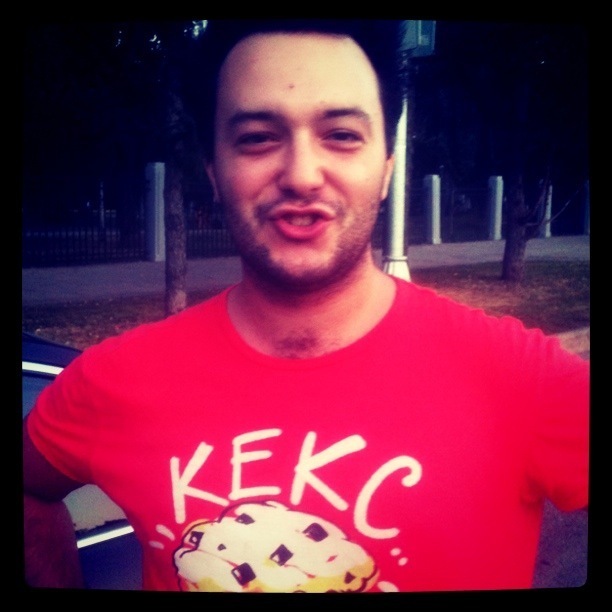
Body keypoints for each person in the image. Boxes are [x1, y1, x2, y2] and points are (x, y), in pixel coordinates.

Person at [23, 19, 589, 593]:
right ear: (214, 172)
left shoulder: (523, 379)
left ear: (387, 168)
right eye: (257, 138)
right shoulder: (115, 380)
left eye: (341, 135)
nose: (301, 175)